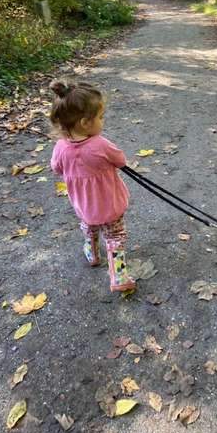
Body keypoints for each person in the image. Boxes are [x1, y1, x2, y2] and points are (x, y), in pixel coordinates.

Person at [49, 79, 136, 292]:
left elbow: (56, 168)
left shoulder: (60, 147)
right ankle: (119, 276)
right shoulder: (100, 145)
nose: (102, 121)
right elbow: (121, 160)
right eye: (100, 117)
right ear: (85, 122)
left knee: (88, 227)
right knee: (115, 236)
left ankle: (92, 254)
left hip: (84, 205)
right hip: (110, 204)